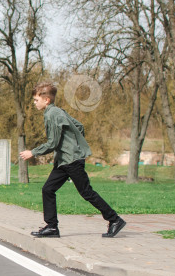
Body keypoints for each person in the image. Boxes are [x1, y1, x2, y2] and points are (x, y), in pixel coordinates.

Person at [19, 82, 126, 238]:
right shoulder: (58, 111)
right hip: (64, 161)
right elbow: (79, 126)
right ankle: (52, 227)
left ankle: (115, 219)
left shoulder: (51, 114)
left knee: (86, 192)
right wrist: (73, 146)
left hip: (71, 161)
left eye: (36, 100)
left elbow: (53, 143)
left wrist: (33, 152)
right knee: (48, 189)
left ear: (46, 100)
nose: (34, 103)